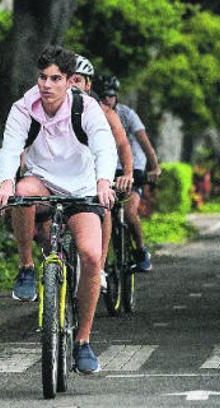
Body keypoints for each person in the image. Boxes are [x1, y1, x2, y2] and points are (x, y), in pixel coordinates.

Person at [0, 45, 123, 374]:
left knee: (92, 257)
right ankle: (25, 266)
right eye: (42, 77)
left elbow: (105, 146)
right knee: (23, 192)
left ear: (69, 81)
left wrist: (105, 182)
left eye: (56, 78)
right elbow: (10, 147)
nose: (47, 84)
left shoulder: (87, 108)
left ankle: (83, 342)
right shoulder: (24, 107)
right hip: (43, 183)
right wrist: (6, 183)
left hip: (81, 188)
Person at [69, 55, 134, 288]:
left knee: (104, 208)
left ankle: (99, 269)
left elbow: (123, 144)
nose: (72, 85)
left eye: (78, 80)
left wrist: (127, 173)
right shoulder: (49, 106)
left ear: (88, 85)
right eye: (68, 79)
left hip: (98, 176)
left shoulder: (103, 111)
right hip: (66, 177)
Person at [100, 77, 161, 272]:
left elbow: (144, 142)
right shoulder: (93, 114)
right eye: (103, 96)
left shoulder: (128, 114)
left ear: (116, 96)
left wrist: (154, 167)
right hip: (108, 168)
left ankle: (141, 251)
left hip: (133, 167)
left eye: (110, 96)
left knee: (129, 212)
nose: (107, 100)